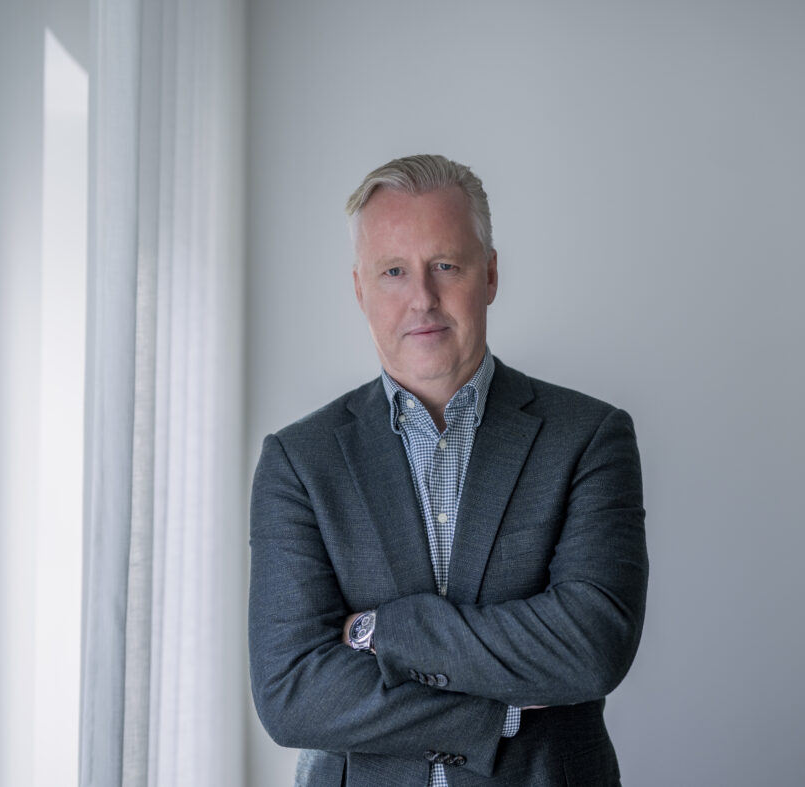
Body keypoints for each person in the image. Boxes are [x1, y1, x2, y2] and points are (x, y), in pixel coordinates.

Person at [249, 154, 647, 786]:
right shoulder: (299, 461)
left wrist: (382, 631)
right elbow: (292, 694)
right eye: (393, 271)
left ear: (489, 275)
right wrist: (497, 711)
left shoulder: (589, 437)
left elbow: (592, 647)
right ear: (360, 290)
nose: (422, 299)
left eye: (445, 266)